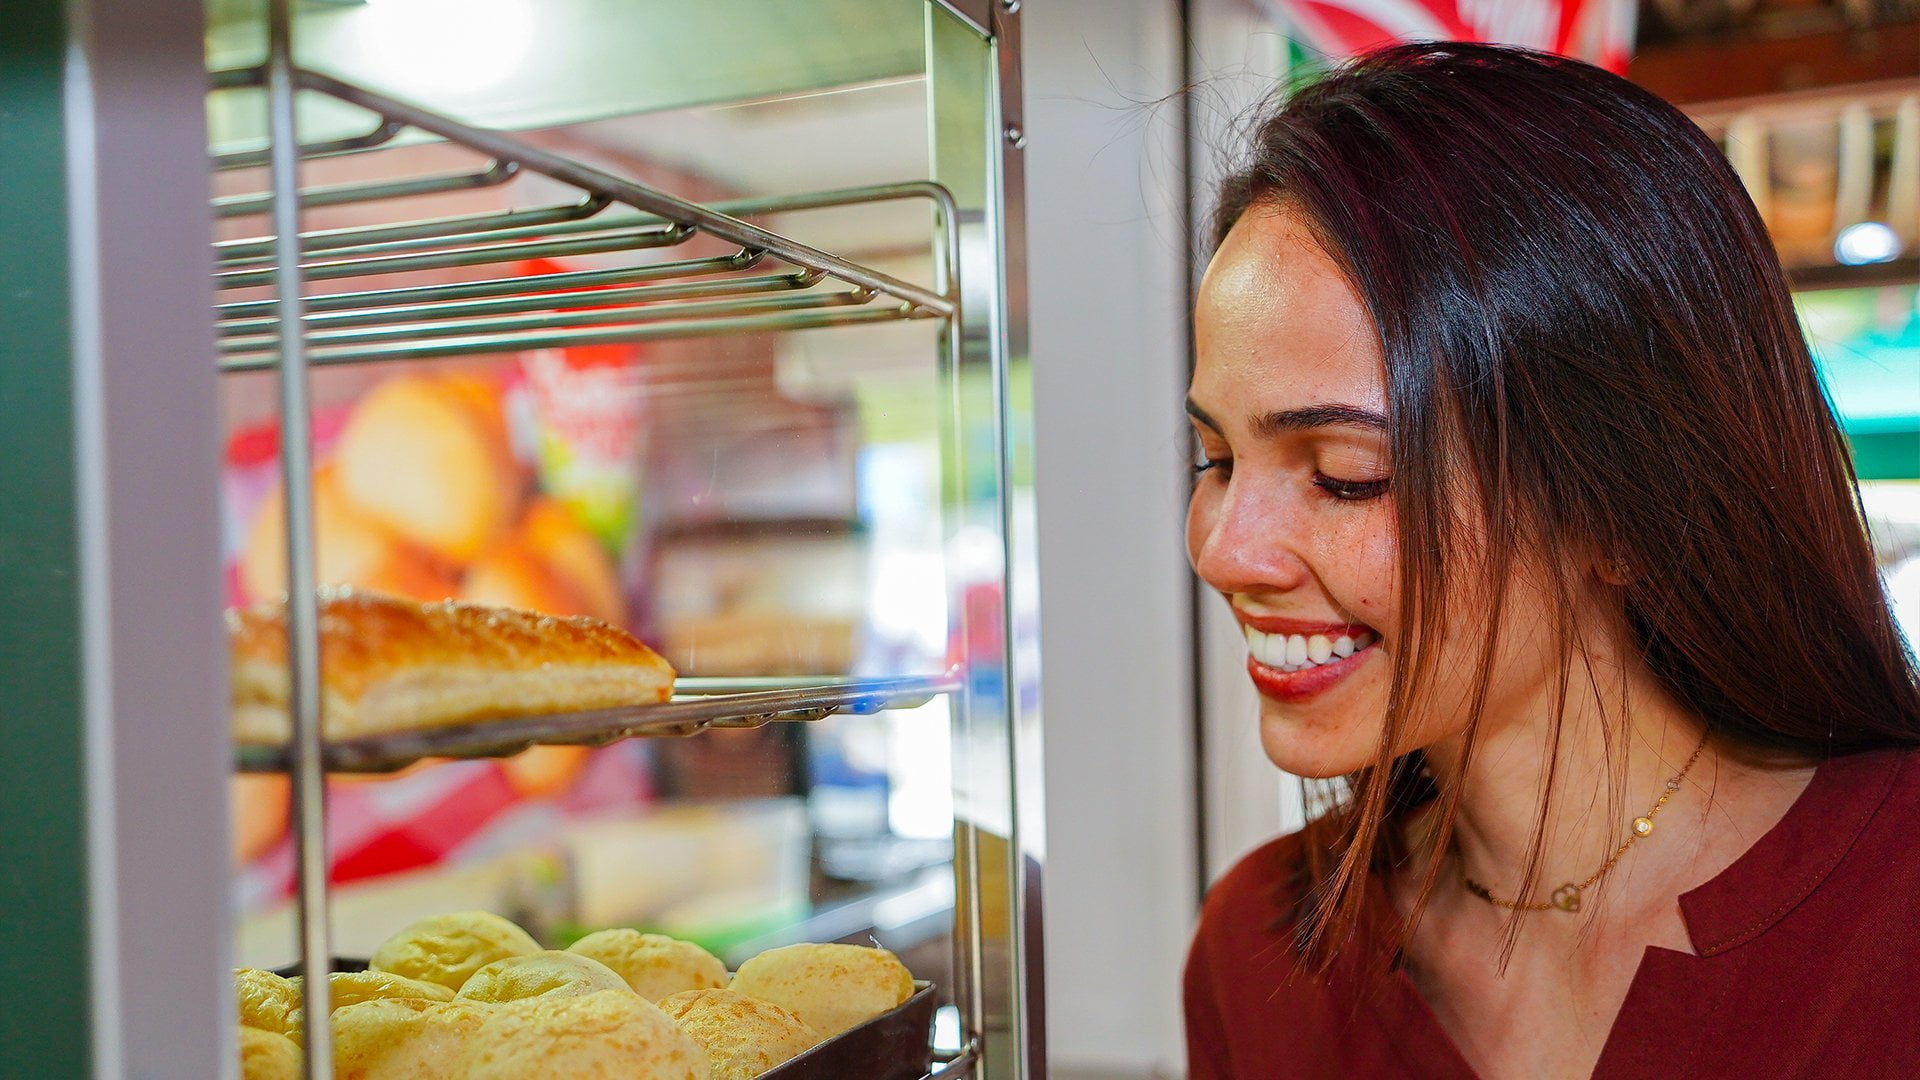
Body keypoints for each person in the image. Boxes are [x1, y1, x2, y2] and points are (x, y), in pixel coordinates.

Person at [1181, 42, 1920, 1079]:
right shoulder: (1257, 948)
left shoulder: (1895, 901)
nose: (1223, 546)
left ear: (1625, 503)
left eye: (1348, 473)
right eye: (1214, 456)